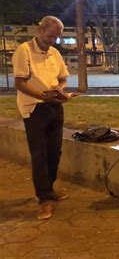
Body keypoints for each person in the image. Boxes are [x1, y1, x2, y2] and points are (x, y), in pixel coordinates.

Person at [12, 16, 73, 220]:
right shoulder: (24, 50)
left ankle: (49, 189)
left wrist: (59, 89)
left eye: (56, 37)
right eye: (50, 36)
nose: (53, 41)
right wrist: (42, 96)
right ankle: (44, 199)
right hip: (35, 108)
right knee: (39, 155)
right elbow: (20, 83)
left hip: (54, 106)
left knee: (54, 152)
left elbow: (63, 78)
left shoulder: (54, 53)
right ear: (40, 31)